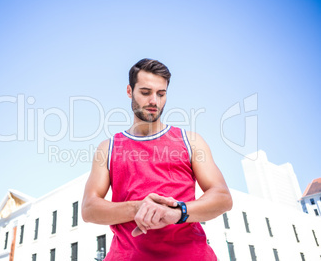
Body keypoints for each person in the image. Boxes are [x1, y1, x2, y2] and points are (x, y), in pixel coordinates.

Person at [82, 58, 233, 260]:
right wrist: (138, 207)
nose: (154, 101)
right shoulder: (108, 148)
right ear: (129, 91)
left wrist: (178, 211)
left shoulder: (191, 141)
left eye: (161, 94)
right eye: (145, 93)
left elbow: (222, 197)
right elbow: (89, 208)